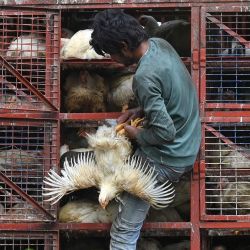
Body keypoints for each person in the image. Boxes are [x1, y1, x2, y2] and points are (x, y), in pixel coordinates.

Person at [91, 9, 201, 250]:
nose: (113, 60)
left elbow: (164, 134)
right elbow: (166, 93)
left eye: (112, 54)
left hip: (170, 156)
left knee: (123, 232)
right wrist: (139, 111)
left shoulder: (143, 77)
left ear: (123, 45)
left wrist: (132, 132)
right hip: (189, 139)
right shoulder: (161, 45)